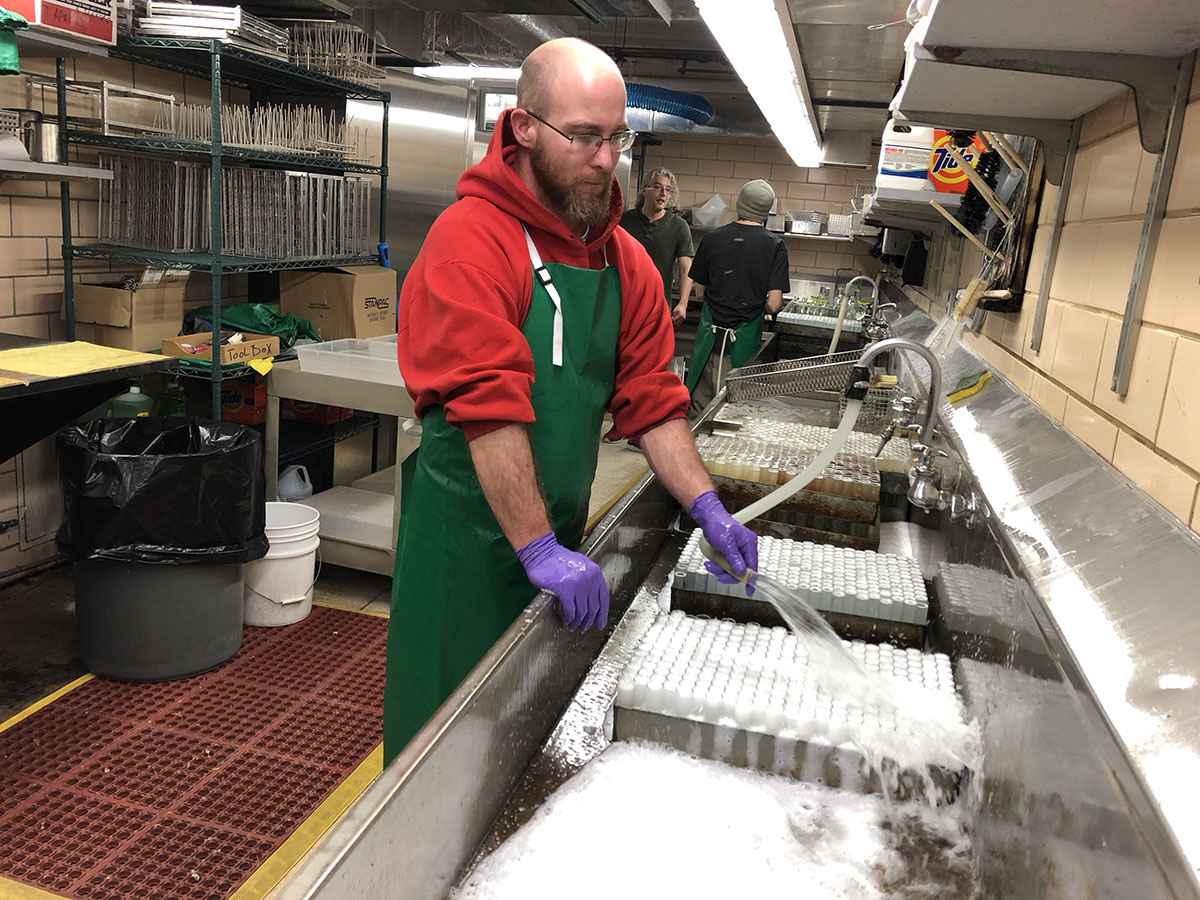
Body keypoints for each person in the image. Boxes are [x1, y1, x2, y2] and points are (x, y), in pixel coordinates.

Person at [384, 37, 758, 764]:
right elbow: (487, 403)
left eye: (616, 137)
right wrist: (535, 546)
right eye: (584, 136)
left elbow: (653, 399)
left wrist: (706, 506)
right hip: (463, 548)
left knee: (516, 744)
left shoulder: (625, 262)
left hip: (557, 539)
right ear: (523, 128)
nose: (604, 158)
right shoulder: (471, 240)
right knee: (440, 747)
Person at [686, 179, 790, 419]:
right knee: (731, 413)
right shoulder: (775, 245)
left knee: (698, 413)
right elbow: (774, 304)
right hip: (742, 346)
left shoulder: (713, 238)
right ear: (766, 211)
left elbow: (699, 292)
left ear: (740, 204)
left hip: (708, 343)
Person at [620, 167, 694, 324]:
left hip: (658, 306)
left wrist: (683, 303)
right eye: (657, 187)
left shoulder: (678, 226)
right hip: (624, 303)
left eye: (668, 189)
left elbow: (686, 267)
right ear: (644, 189)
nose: (663, 193)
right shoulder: (625, 221)